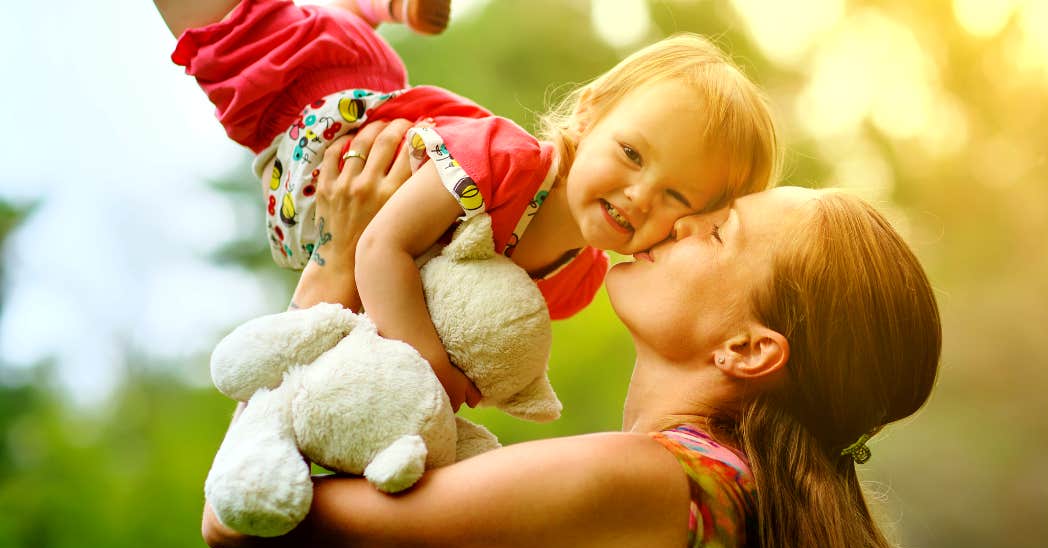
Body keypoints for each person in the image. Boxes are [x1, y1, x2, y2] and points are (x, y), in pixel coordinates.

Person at [203, 135, 943, 548]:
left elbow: (245, 516)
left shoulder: (649, 487)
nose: (681, 219)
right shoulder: (731, 511)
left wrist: (336, 262)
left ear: (748, 350)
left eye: (718, 232)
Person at [154, 0, 780, 407]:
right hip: (311, 94)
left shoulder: (577, 283)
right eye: (633, 154)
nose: (639, 193)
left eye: (675, 195)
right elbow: (379, 247)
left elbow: (459, 329)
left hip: (332, 210)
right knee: (225, 26)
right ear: (589, 114)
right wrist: (430, 371)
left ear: (691, 225)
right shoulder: (503, 161)